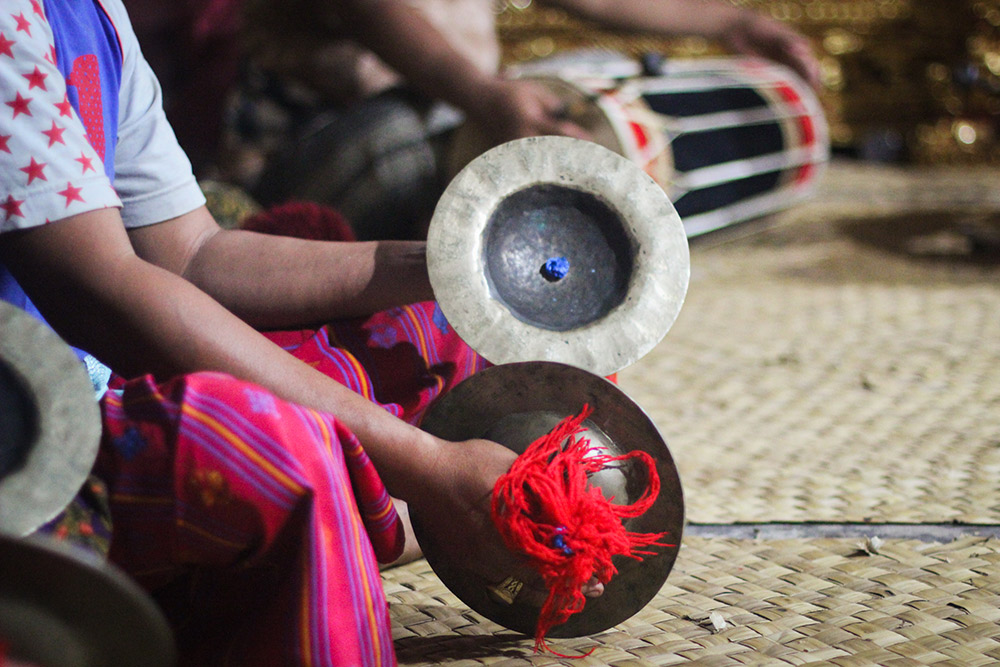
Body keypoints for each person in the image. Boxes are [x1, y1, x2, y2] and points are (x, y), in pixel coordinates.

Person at [0, 1, 599, 664]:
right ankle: (392, 516)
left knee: (449, 332)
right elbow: (105, 298)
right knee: (278, 450)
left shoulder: (95, 12)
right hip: (24, 448)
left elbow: (193, 253)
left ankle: (374, 515)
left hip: (98, 379)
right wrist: (430, 467)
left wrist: (457, 264)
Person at [230, 0, 822, 241]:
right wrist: (486, 98)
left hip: (450, 122)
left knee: (592, 75)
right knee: (398, 137)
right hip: (314, 166)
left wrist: (732, 24)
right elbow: (371, 11)